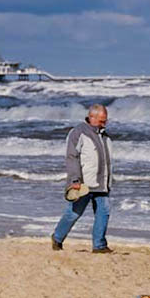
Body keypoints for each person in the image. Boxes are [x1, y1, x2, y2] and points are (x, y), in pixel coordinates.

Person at [51, 104, 113, 253]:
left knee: (104, 211)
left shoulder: (105, 136)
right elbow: (72, 157)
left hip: (102, 183)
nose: (104, 124)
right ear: (91, 117)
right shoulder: (78, 133)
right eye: (101, 121)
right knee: (74, 213)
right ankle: (57, 237)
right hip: (83, 184)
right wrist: (75, 180)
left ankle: (99, 245)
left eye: (105, 121)